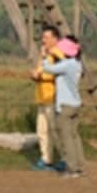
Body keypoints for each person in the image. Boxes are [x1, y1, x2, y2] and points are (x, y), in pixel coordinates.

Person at [43, 36, 85, 179]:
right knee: (74, 136)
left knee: (66, 138)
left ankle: (71, 168)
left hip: (65, 106)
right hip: (75, 104)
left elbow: (48, 69)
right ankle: (79, 166)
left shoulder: (67, 65)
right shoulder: (76, 64)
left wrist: (46, 55)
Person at [30, 26, 64, 171]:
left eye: (46, 37)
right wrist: (34, 75)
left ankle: (64, 158)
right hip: (41, 96)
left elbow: (58, 73)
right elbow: (40, 70)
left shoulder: (58, 54)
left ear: (55, 39)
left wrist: (41, 74)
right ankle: (46, 159)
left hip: (53, 96)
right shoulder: (43, 54)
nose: (43, 40)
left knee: (55, 130)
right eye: (43, 37)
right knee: (42, 130)